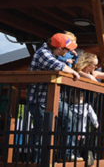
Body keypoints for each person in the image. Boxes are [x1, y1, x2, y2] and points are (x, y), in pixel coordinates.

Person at [27, 33, 80, 162]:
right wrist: (73, 71)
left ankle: (66, 153)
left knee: (70, 118)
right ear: (59, 48)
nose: (69, 51)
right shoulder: (43, 53)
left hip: (52, 99)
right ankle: (40, 161)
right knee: (42, 131)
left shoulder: (53, 53)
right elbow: (57, 66)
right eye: (67, 49)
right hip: (39, 100)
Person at [69, 89, 98, 165]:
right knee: (83, 148)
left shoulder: (71, 108)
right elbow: (93, 116)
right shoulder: (87, 107)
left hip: (74, 133)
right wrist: (96, 124)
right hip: (83, 133)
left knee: (75, 150)